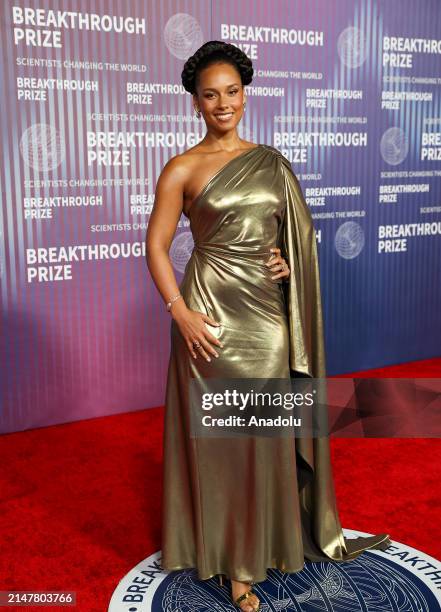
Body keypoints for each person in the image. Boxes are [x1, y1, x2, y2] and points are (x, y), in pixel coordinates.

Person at [145, 40, 391, 612]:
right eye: (211, 95)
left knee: (262, 434)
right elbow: (156, 246)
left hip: (267, 316)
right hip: (206, 317)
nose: (222, 103)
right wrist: (178, 311)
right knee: (222, 442)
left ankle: (270, 541)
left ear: (245, 95)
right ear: (196, 102)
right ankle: (234, 564)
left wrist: (286, 263)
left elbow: (292, 241)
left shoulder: (273, 161)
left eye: (232, 92)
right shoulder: (180, 167)